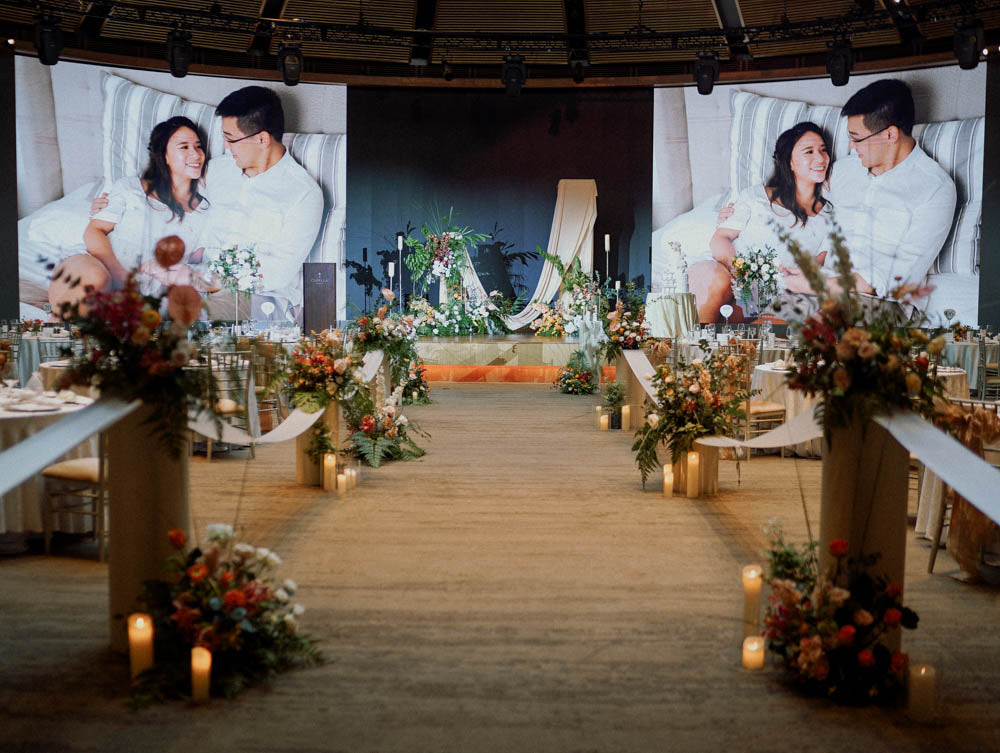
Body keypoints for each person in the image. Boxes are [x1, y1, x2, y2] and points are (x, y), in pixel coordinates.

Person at [50, 116, 215, 309]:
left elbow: (200, 264)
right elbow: (94, 231)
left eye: (198, 146)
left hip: (144, 294)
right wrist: (121, 278)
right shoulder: (131, 187)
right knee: (96, 280)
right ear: (164, 156)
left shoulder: (205, 212)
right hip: (98, 266)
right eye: (184, 147)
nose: (196, 154)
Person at [688, 122, 836, 323]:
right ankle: (696, 346)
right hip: (730, 276)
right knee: (715, 282)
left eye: (823, 150)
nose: (820, 158)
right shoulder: (756, 195)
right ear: (789, 162)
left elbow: (819, 263)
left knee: (782, 313)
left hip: (777, 296)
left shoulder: (830, 215)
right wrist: (742, 278)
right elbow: (721, 237)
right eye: (809, 152)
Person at [821, 78, 956, 297]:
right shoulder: (845, 170)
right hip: (816, 289)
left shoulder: (935, 188)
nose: (850, 146)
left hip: (875, 303)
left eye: (857, 139)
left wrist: (813, 284)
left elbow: (895, 280)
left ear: (890, 135)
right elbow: (801, 195)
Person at [198, 86, 324, 320]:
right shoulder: (219, 170)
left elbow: (279, 272)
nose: (226, 147)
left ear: (262, 139)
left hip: (260, 299)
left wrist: (217, 280)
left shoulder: (303, 194)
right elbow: (171, 188)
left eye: (231, 139)